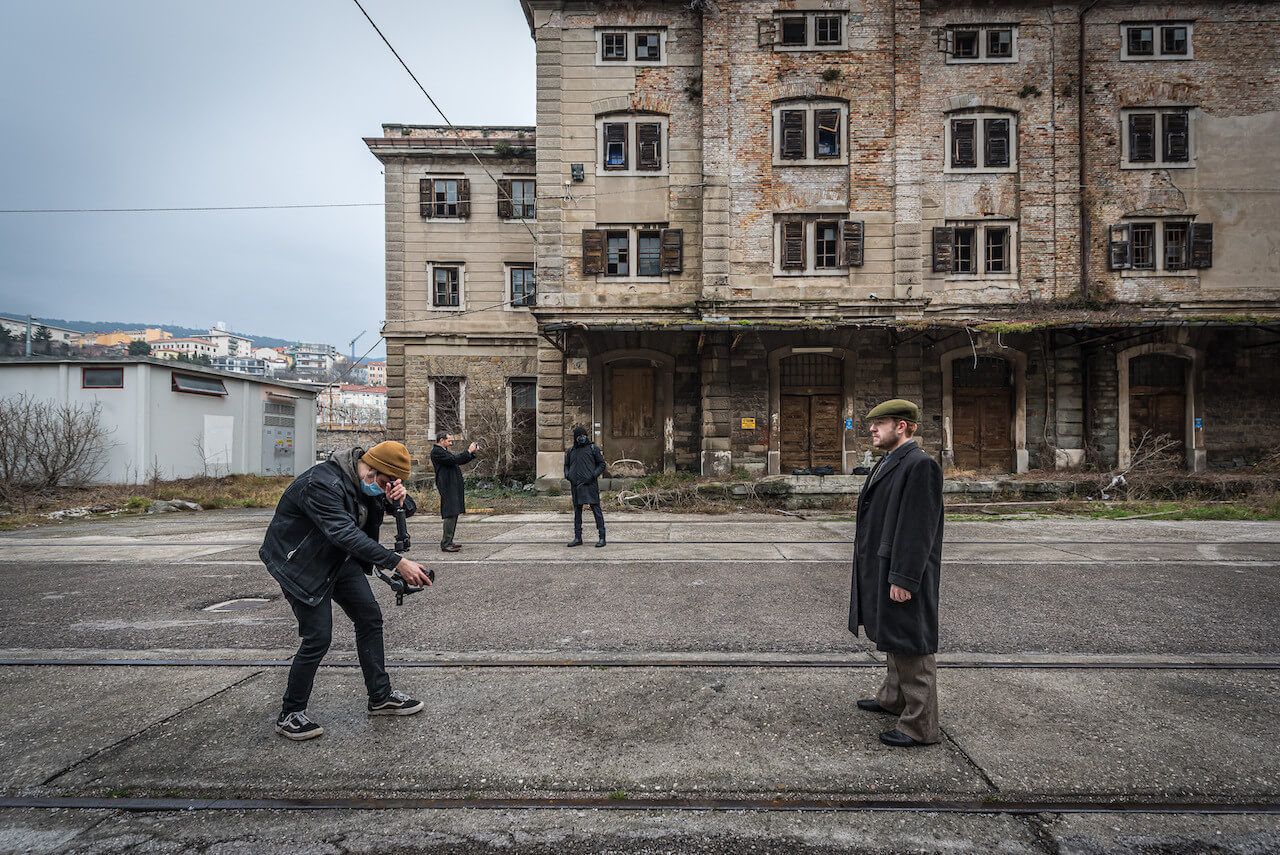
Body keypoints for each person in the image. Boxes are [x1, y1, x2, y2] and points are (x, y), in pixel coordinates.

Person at [260, 441, 433, 741]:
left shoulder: (365, 482)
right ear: (372, 471)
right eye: (385, 482)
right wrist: (397, 562)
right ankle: (290, 713)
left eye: (392, 484)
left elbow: (388, 509)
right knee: (318, 637)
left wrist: (401, 500)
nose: (384, 488)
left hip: (337, 558)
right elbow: (344, 532)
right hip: (299, 562)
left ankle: (380, 697)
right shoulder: (321, 484)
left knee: (369, 617)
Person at [848, 399, 944, 748]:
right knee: (892, 634)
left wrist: (904, 578)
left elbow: (919, 528)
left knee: (911, 643)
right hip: (882, 564)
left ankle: (920, 725)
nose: (871, 429)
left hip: (902, 569)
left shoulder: (920, 466)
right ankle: (893, 698)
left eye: (879, 423)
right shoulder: (891, 461)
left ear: (901, 426)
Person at [431, 432, 478, 552]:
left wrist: (471, 453)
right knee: (450, 512)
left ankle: (449, 541)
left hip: (452, 484)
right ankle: (446, 543)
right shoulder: (437, 451)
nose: (451, 443)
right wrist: (468, 451)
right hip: (447, 484)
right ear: (441, 440)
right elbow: (454, 459)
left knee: (454, 511)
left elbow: (457, 460)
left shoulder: (443, 451)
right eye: (449, 441)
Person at [564, 425, 607, 548]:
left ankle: (602, 537)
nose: (581, 438)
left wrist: (593, 475)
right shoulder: (571, 451)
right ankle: (578, 538)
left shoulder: (593, 448)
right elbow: (566, 465)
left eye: (583, 435)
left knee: (596, 510)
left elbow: (601, 464)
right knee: (577, 512)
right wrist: (568, 475)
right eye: (579, 436)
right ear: (576, 438)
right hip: (576, 485)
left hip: (590, 485)